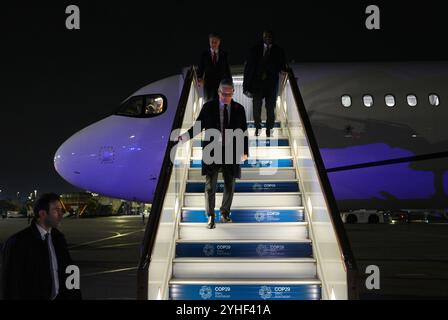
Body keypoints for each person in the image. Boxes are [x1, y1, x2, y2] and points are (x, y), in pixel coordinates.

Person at [179, 79, 248, 229]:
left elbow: (243, 132)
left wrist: (245, 151)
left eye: (229, 94)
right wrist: (184, 137)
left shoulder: (239, 108)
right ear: (218, 92)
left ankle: (224, 213)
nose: (226, 97)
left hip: (231, 151)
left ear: (233, 93)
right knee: (211, 185)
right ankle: (211, 216)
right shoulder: (208, 107)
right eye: (223, 94)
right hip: (212, 151)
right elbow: (198, 127)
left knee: (230, 184)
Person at [1, 193, 82, 300]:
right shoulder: (18, 242)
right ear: (43, 213)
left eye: (61, 210)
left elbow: (69, 270)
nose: (61, 214)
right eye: (56, 210)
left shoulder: (59, 238)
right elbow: (10, 284)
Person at [243, 30, 287, 137]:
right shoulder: (255, 49)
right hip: (257, 83)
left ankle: (269, 128)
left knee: (270, 107)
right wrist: (246, 86)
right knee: (256, 106)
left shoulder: (278, 50)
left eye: (270, 36)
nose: (268, 38)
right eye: (266, 36)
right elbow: (248, 67)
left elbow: (282, 66)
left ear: (272, 38)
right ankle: (258, 127)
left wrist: (286, 73)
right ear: (263, 37)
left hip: (271, 84)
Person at [197, 32, 232, 102]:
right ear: (209, 42)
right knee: (209, 104)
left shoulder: (224, 54)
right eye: (212, 42)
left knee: (221, 105)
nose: (213, 44)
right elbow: (201, 68)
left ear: (219, 42)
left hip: (221, 86)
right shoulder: (204, 54)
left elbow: (227, 70)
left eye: (215, 42)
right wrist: (199, 78)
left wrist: (230, 84)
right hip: (208, 86)